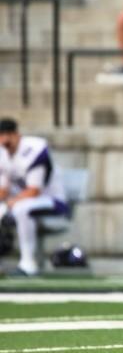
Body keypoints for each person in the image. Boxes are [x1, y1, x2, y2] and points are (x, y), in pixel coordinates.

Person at [0, 119, 68, 277]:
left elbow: (34, 190)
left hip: (52, 200)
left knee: (21, 209)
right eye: (2, 135)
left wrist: (11, 202)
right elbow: (3, 189)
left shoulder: (34, 149)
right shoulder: (3, 153)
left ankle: (28, 263)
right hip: (22, 200)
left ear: (17, 135)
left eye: (9, 134)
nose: (5, 140)